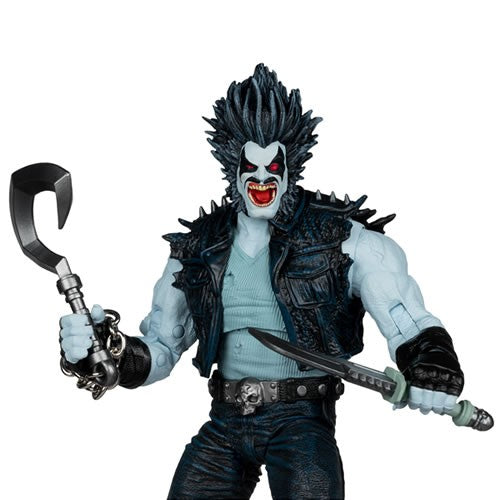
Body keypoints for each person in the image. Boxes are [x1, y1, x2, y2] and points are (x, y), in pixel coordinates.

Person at [60, 64, 464, 499]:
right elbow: (161, 349)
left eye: (273, 166)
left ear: (291, 166)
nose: (262, 178)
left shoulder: (341, 241)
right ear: (232, 167)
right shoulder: (199, 249)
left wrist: (431, 366)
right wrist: (106, 352)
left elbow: (404, 316)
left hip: (301, 421)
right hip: (226, 419)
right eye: (250, 167)